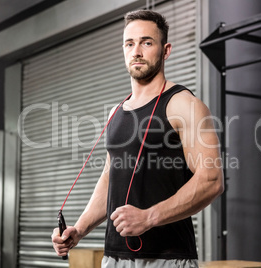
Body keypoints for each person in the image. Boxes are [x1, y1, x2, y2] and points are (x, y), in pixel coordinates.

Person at [52, 10, 224, 267]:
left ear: (165, 50)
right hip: (114, 258)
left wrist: (149, 217)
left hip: (167, 258)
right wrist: (79, 229)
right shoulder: (116, 112)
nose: (137, 51)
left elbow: (211, 180)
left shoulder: (184, 105)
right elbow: (111, 177)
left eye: (147, 42)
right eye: (130, 43)